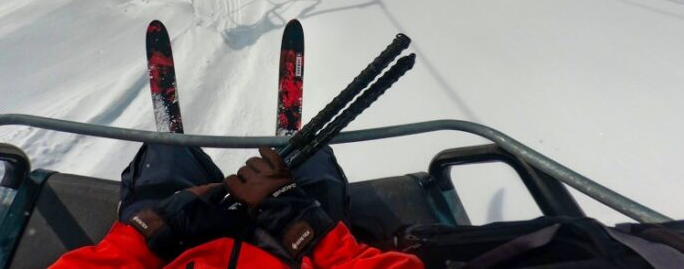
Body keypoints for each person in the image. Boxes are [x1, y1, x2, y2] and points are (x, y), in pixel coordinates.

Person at [50, 144, 423, 269]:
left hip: (172, 252)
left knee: (166, 153)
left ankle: (176, 151)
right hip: (295, 253)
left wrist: (151, 231)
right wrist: (305, 227)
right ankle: (292, 147)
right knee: (313, 161)